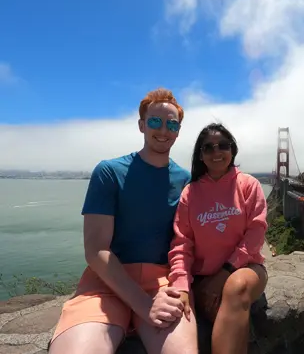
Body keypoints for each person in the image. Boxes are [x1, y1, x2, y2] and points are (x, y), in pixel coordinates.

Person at [48, 88, 198, 354]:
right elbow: (96, 250)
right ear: (141, 125)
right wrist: (143, 304)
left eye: (172, 124)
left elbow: (189, 240)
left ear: (178, 131)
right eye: (155, 121)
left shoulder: (185, 179)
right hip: (105, 284)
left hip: (162, 284)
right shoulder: (109, 172)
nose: (163, 129)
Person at [168, 123, 268, 354]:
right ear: (200, 155)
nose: (216, 152)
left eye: (223, 145)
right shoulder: (190, 193)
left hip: (246, 269)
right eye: (208, 148)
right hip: (203, 278)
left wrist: (224, 273)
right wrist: (182, 286)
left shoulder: (248, 185)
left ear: (232, 150)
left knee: (235, 288)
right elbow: (182, 244)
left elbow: (256, 233)